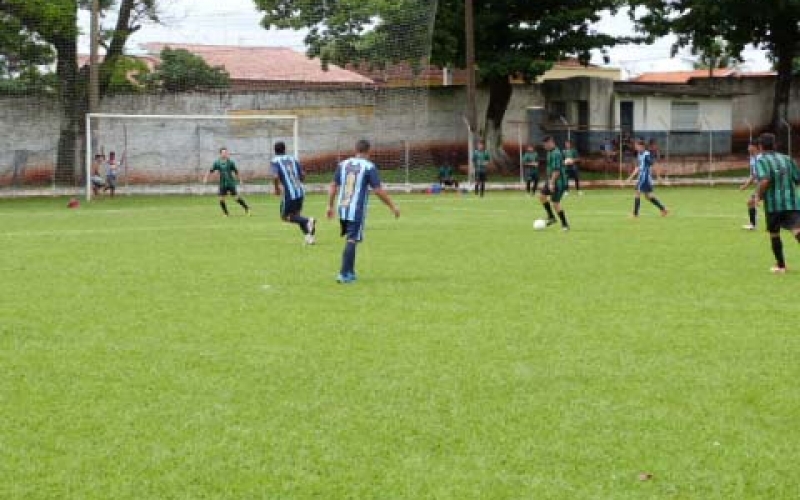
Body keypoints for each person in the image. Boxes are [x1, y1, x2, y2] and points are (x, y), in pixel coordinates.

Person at [326, 139, 400, 284]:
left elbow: (333, 185)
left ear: (355, 149)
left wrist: (329, 206)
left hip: (343, 207)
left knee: (351, 238)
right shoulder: (369, 167)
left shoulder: (343, 164)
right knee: (352, 239)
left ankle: (350, 272)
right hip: (356, 208)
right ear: (369, 151)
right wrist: (392, 206)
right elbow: (378, 190)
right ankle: (344, 273)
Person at [753, 132, 800, 273]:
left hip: (774, 205)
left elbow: (765, 180)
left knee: (774, 234)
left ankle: (781, 266)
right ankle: (781, 266)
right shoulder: (787, 159)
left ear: (760, 146)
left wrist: (758, 196)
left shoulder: (761, 161)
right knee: (797, 230)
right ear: (774, 145)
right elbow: (797, 179)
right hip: (791, 202)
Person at [271, 141, 316, 244]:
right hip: (300, 191)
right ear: (285, 149)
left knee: (285, 217)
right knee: (296, 215)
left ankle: (308, 221)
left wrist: (276, 189)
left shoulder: (275, 161)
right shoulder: (293, 159)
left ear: (275, 150)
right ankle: (309, 237)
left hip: (289, 194)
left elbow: (275, 176)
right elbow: (303, 176)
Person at [626, 139, 668, 218]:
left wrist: (658, 177)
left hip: (645, 177)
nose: (635, 147)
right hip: (642, 177)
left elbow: (654, 165)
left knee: (637, 193)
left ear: (642, 146)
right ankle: (663, 209)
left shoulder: (646, 155)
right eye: (635, 146)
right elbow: (638, 167)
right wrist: (630, 178)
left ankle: (635, 214)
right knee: (648, 196)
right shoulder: (639, 154)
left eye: (637, 146)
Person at [203, 147, 251, 216]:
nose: (225, 154)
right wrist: (205, 178)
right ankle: (226, 214)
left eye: (226, 152)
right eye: (223, 153)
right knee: (221, 199)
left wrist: (240, 180)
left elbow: (236, 171)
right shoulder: (217, 162)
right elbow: (210, 171)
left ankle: (247, 208)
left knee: (236, 198)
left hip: (231, 183)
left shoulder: (230, 162)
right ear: (220, 154)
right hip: (222, 183)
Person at [538, 135, 570, 231]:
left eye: (546, 145)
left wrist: (551, 183)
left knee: (555, 203)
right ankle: (551, 217)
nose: (544, 147)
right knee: (542, 196)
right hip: (551, 180)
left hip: (558, 182)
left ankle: (565, 225)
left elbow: (557, 171)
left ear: (551, 142)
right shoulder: (550, 152)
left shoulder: (556, 153)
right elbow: (559, 165)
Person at [739, 139, 762, 231]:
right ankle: (753, 225)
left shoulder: (761, 158)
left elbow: (759, 174)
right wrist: (745, 185)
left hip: (766, 185)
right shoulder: (752, 159)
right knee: (750, 202)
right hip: (760, 185)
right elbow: (753, 174)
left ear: (756, 147)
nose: (748, 148)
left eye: (749, 146)